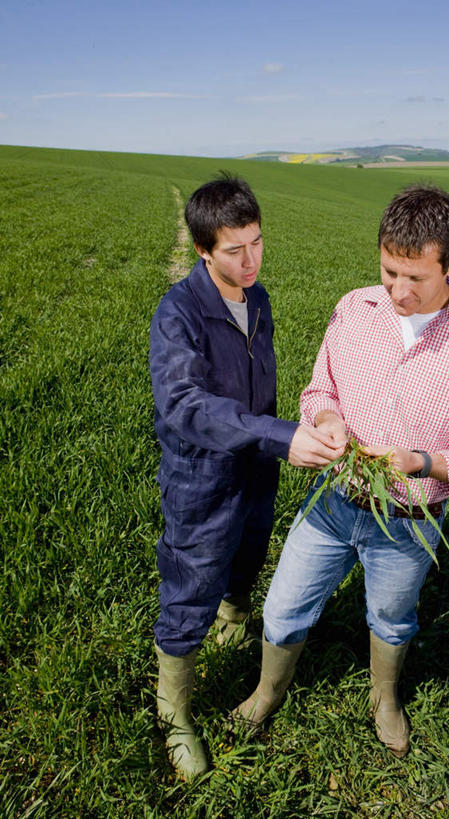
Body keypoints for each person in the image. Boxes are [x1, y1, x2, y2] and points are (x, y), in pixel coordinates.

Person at [232, 184, 449, 758]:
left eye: (417, 278)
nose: (399, 291)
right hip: (332, 501)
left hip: (409, 521)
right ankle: (267, 690)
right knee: (283, 606)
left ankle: (384, 698)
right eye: (390, 272)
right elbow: (320, 389)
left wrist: (424, 462)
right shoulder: (354, 309)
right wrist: (328, 417)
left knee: (390, 619)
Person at [149, 173, 343, 779]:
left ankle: (233, 620)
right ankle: (173, 712)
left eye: (257, 242)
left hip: (259, 466)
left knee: (250, 552)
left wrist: (282, 438)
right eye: (235, 250)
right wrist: (282, 436)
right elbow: (184, 404)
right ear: (204, 250)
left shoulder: (256, 298)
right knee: (191, 583)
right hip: (203, 477)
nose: (251, 259)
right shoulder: (178, 313)